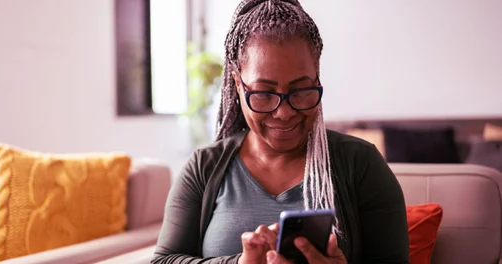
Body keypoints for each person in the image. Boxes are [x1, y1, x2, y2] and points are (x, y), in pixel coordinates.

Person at [152, 0, 410, 263]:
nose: (284, 113)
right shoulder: (204, 168)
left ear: (317, 79)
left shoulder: (361, 164)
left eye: (300, 91)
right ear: (238, 85)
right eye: (264, 94)